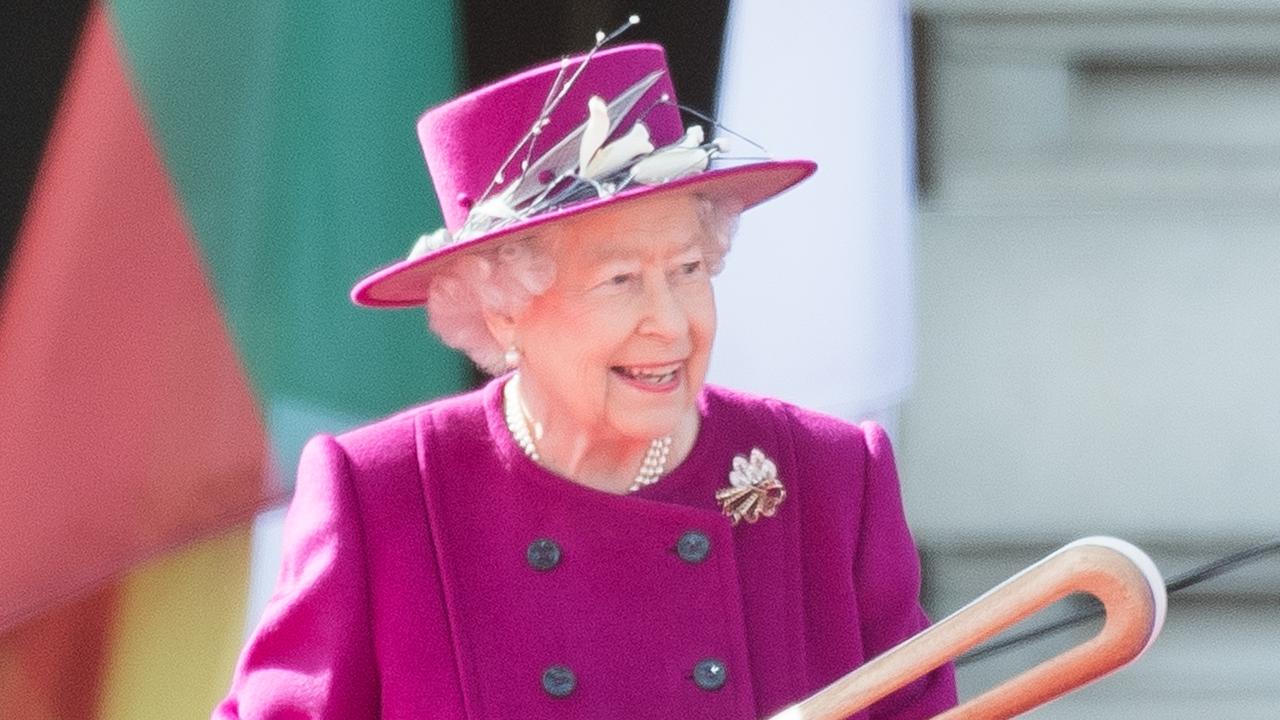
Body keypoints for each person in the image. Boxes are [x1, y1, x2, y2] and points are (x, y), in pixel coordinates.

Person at [214, 40, 957, 720]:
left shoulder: (830, 478)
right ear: (504, 311)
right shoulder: (381, 495)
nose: (670, 322)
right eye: (621, 281)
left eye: (688, 271)